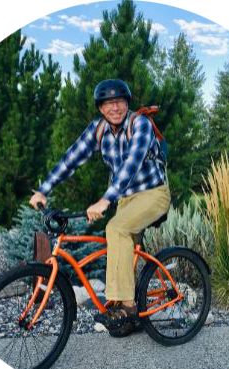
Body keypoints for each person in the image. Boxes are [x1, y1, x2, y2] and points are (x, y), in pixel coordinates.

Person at [29, 79, 171, 334]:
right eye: (108, 104)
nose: (114, 108)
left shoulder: (140, 124)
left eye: (119, 102)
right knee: (118, 243)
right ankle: (126, 311)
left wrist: (106, 200)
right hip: (127, 197)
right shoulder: (98, 130)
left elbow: (132, 164)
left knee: (116, 229)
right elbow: (71, 158)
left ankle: (124, 307)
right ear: (100, 108)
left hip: (153, 193)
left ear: (127, 103)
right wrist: (44, 189)